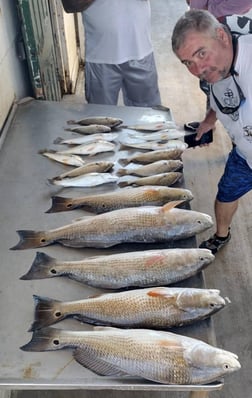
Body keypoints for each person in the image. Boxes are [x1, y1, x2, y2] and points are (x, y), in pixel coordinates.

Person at [171, 9, 252, 254]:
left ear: (222, 36)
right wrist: (209, 120)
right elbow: (221, 99)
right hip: (245, 156)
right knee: (225, 194)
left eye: (201, 54)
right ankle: (221, 234)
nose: (198, 70)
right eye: (189, 63)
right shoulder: (216, 70)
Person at [184, 1, 252, 134]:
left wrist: (211, 13)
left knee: (240, 86)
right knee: (216, 84)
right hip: (206, 23)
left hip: (231, 22)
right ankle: (213, 123)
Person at [81, 0, 161, 106]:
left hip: (140, 52)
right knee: (101, 117)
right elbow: (70, 5)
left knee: (148, 117)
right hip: (100, 58)